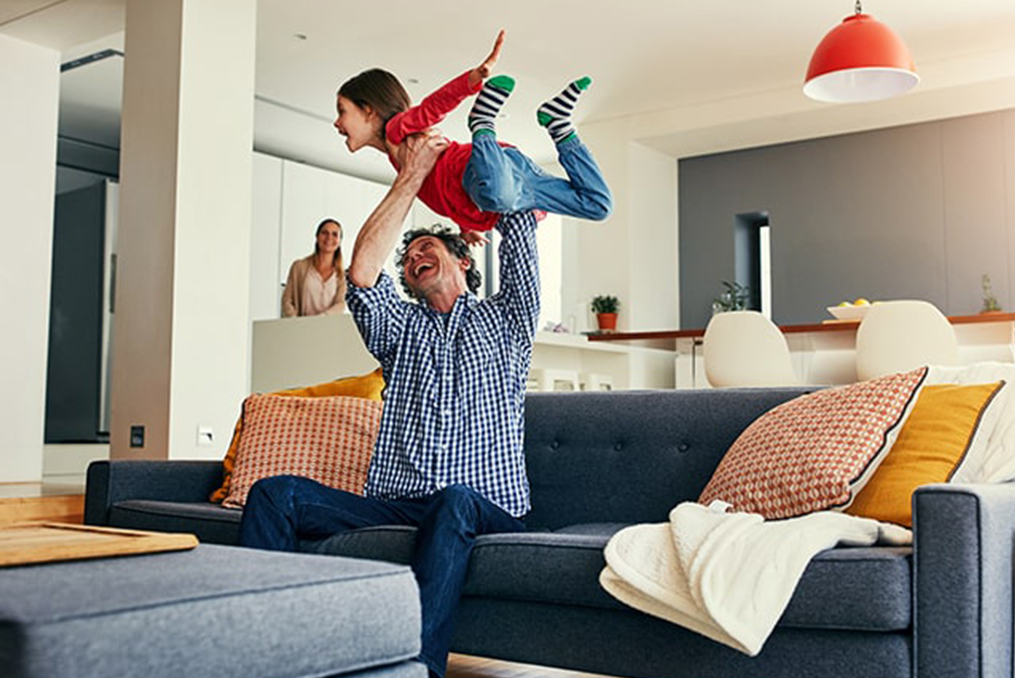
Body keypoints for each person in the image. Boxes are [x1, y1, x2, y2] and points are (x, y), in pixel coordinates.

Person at [239, 131, 540, 678]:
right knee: (274, 493)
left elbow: (520, 236)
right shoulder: (398, 328)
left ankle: (416, 670)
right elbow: (362, 273)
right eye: (410, 257)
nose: (416, 256)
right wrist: (411, 177)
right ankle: (265, 653)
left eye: (432, 249)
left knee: (455, 500)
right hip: (399, 503)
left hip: (485, 509)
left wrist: (496, 183)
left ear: (465, 261)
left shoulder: (508, 321)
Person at [334, 30, 611, 244]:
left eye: (342, 111)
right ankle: (559, 125)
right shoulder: (404, 166)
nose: (337, 123)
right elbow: (445, 194)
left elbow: (433, 108)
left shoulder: (397, 132)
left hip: (480, 170)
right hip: (507, 178)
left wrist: (470, 81)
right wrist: (466, 227)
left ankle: (481, 121)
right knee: (598, 206)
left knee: (498, 197)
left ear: (368, 110)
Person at [281, 218, 347, 317]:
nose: (329, 237)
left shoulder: (343, 275)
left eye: (334, 234)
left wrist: (321, 319)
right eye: (324, 233)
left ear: (339, 241)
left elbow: (341, 304)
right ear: (317, 237)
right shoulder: (299, 267)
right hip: (301, 328)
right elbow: (287, 301)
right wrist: (296, 321)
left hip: (328, 328)